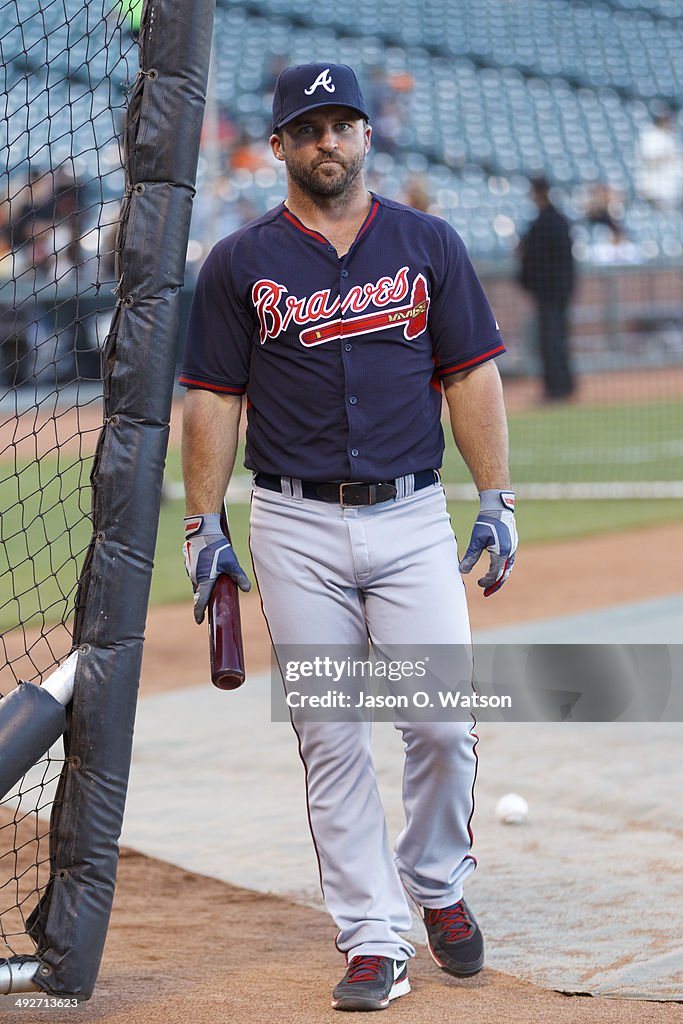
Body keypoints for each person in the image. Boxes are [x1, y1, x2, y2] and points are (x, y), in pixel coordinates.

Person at [180, 62, 517, 1013]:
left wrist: (495, 497)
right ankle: (373, 938)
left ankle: (436, 883)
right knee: (330, 736)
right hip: (293, 526)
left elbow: (470, 377)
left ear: (367, 136)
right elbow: (211, 398)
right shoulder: (240, 263)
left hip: (412, 521)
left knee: (442, 724)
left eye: (343, 123)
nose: (328, 140)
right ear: (278, 145)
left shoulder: (427, 243)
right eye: (308, 127)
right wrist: (204, 522)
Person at [518, 177, 576, 402]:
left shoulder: (543, 223)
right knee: (558, 339)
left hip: (548, 292)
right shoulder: (559, 220)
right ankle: (564, 385)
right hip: (559, 291)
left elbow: (533, 258)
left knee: (550, 340)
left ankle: (557, 388)